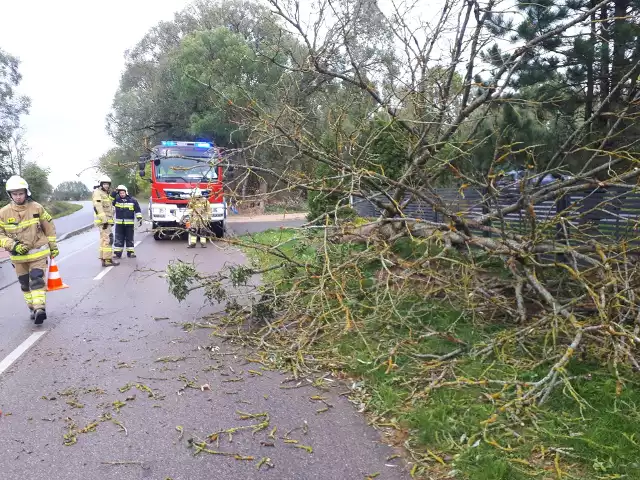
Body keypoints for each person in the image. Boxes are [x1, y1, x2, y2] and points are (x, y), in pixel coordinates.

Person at [0, 175, 59, 324]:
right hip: (18, 258)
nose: (18, 197)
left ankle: (40, 308)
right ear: (10, 195)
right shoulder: (3, 213)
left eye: (21, 193)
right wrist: (13, 245)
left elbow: (49, 227)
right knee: (25, 285)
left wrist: (53, 246)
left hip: (38, 253)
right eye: (15, 194)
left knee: (37, 280)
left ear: (26, 193)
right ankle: (32, 308)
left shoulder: (37, 208)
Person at [92, 174, 120, 267]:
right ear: (101, 184)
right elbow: (98, 207)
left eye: (108, 184)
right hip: (104, 221)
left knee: (104, 240)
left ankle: (104, 259)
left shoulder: (104, 193)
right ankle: (108, 260)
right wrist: (104, 220)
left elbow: (108, 207)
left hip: (107, 221)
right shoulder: (98, 192)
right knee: (108, 240)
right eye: (104, 184)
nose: (106, 185)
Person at [112, 184, 143, 258]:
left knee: (129, 238)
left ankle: (130, 253)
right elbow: (110, 200)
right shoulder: (116, 200)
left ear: (126, 192)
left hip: (129, 224)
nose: (122, 194)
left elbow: (138, 210)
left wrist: (139, 218)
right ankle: (117, 253)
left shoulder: (133, 200)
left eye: (123, 193)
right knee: (118, 238)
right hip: (119, 224)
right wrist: (114, 192)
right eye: (120, 193)